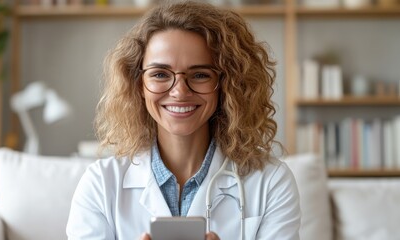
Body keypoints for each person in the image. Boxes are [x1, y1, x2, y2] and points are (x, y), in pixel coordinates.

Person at [66, 1, 300, 239]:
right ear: (139, 85)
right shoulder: (101, 184)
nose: (179, 91)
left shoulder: (271, 182)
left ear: (227, 84)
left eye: (199, 75)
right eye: (160, 74)